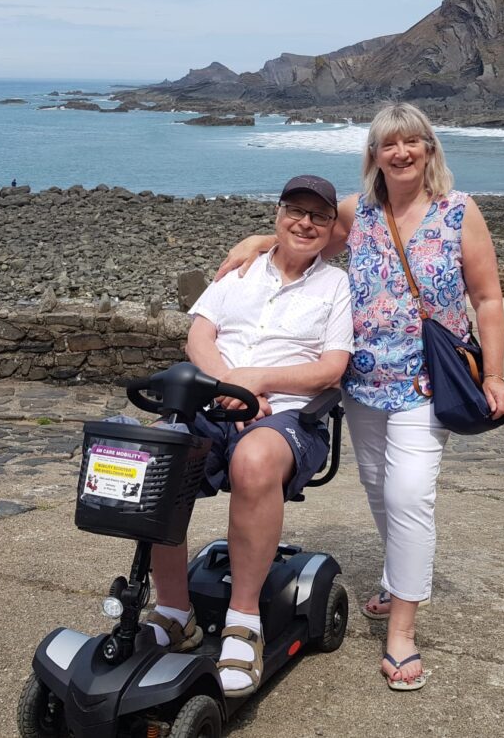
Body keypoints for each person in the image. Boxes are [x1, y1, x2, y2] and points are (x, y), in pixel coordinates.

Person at [218, 102, 504, 691]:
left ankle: (402, 629)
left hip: (426, 383)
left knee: (409, 494)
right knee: (380, 488)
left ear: (429, 149)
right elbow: (304, 244)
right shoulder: (359, 212)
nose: (401, 153)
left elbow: (487, 300)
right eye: (388, 144)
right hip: (361, 382)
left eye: (411, 142)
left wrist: (495, 375)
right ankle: (395, 576)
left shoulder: (459, 211)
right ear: (374, 155)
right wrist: (258, 238)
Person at [138, 175, 353, 698]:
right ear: (277, 214)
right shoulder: (239, 270)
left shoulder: (335, 286)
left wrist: (259, 383)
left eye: (319, 216)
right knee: (157, 455)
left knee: (254, 459)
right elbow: (199, 337)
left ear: (331, 229)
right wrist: (227, 388)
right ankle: (174, 611)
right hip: (215, 401)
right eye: (295, 211)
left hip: (290, 416)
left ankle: (243, 622)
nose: (305, 223)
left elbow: (331, 368)